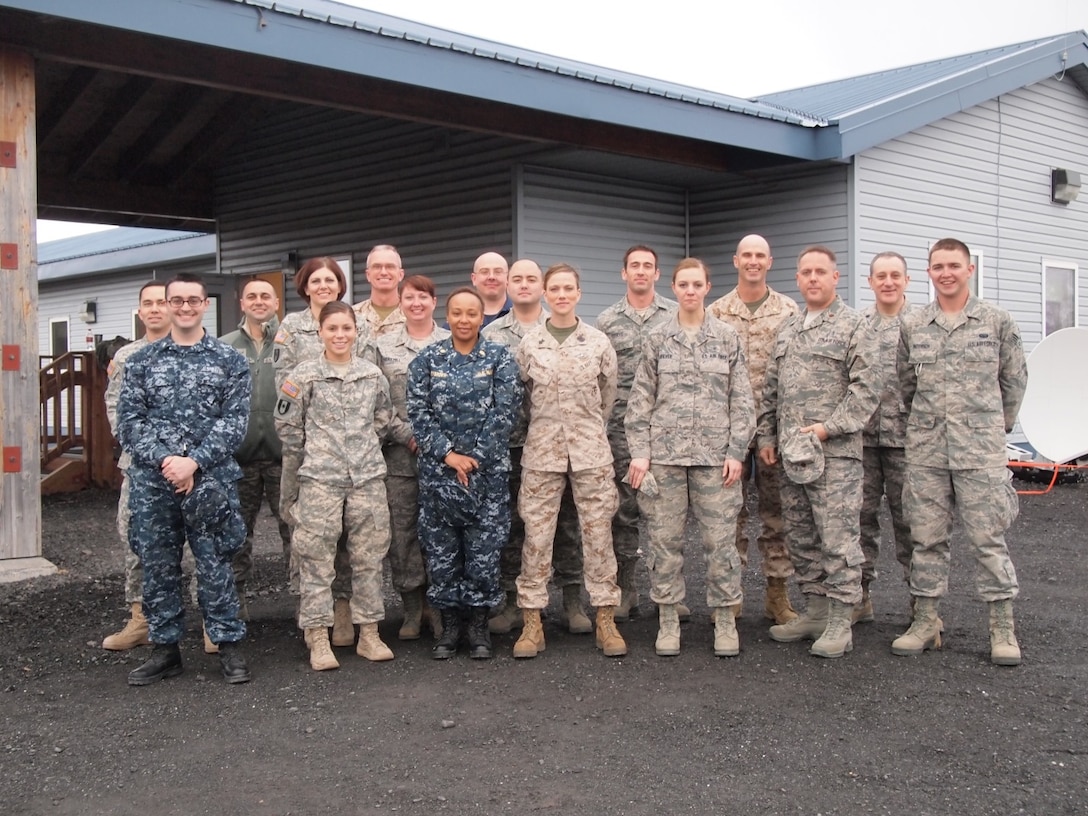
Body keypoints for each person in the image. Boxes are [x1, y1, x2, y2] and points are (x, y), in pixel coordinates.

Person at [893, 238, 1027, 666]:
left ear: (969, 270)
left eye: (954, 265)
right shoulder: (914, 324)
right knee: (926, 539)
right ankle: (926, 620)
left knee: (988, 539)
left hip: (979, 451)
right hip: (928, 451)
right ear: (929, 273)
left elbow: (1014, 380)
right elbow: (905, 384)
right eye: (937, 266)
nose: (945, 272)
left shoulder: (995, 321)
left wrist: (993, 426)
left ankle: (1002, 627)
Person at [116, 273, 252, 685]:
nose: (185, 307)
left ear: (205, 304)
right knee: (158, 565)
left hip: (210, 480)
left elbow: (235, 422)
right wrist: (167, 461)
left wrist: (193, 463)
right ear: (167, 305)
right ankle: (165, 649)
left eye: (193, 300)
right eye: (177, 301)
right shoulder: (140, 361)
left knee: (215, 565)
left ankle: (228, 646)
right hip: (155, 484)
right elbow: (129, 422)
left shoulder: (230, 360)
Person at [626, 258, 754, 657]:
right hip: (665, 458)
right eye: (684, 284)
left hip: (716, 460)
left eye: (697, 284)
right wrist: (641, 454)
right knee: (664, 542)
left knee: (721, 544)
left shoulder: (727, 337)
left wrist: (736, 452)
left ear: (708, 287)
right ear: (676, 288)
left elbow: (743, 401)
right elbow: (640, 399)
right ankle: (667, 618)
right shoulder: (659, 338)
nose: (690, 291)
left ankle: (725, 619)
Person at [757, 246, 878, 659]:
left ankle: (842, 620)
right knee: (801, 535)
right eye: (805, 272)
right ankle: (815, 610)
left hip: (835, 456)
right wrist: (767, 436)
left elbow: (866, 390)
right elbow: (772, 389)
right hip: (792, 454)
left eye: (820, 272)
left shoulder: (854, 325)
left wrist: (830, 428)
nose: (812, 279)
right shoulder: (789, 327)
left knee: (838, 539)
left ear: (835, 277)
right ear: (797, 278)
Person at [275, 301, 397, 671]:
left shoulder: (372, 373)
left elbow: (383, 417)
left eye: (347, 328)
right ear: (321, 333)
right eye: (332, 329)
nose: (340, 335)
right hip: (320, 481)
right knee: (316, 559)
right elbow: (288, 428)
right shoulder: (303, 375)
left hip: (366, 479)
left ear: (356, 332)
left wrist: (359, 449)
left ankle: (369, 633)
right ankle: (318, 636)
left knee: (369, 558)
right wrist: (319, 454)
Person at [514, 263, 626, 659]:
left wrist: (583, 430)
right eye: (555, 289)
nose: (561, 295)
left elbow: (607, 398)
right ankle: (532, 623)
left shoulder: (597, 343)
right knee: (537, 538)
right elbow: (524, 403)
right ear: (545, 294)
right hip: (542, 454)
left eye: (568, 288)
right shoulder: (530, 344)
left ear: (579, 293)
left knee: (598, 536)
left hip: (591, 453)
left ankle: (605, 619)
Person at [407, 288, 522, 660]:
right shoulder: (427, 360)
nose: (464, 320)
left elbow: (505, 413)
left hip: (485, 474)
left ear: (480, 317)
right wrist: (448, 455)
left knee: (483, 553)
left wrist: (472, 458)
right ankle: (449, 626)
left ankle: (478, 626)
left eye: (471, 313)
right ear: (448, 314)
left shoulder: (500, 359)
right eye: (457, 313)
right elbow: (418, 414)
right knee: (442, 553)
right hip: (440, 475)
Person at [482, 259, 587, 635]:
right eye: (517, 279)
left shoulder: (561, 326)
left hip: (559, 444)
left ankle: (573, 601)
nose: (524, 284)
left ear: (542, 287)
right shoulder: (493, 335)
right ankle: (514, 603)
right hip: (510, 446)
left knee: (568, 524)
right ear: (507, 286)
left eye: (531, 279)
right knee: (515, 525)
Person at [708, 234, 800, 623]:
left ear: (770, 261)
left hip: (773, 429)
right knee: (729, 517)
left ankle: (777, 594)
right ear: (735, 260)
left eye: (760, 255)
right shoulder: (717, 311)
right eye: (747, 255)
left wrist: (776, 432)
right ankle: (731, 596)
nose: (753, 261)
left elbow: (794, 375)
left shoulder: (789, 310)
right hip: (729, 432)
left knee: (777, 515)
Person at [273, 257, 359, 646]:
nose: (323, 285)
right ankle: (311, 610)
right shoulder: (291, 327)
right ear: (305, 286)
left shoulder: (354, 322)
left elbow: (367, 379)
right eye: (316, 280)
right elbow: (284, 387)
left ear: (340, 286)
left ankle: (342, 607)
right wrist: (310, 443)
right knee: (304, 530)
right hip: (305, 451)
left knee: (347, 534)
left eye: (330, 280)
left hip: (350, 452)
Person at [595, 245, 679, 622]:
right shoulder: (607, 321)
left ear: (657, 274)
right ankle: (626, 589)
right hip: (620, 432)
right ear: (623, 273)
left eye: (648, 266)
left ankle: (670, 593)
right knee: (623, 514)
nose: (641, 272)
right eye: (635, 266)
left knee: (668, 517)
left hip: (668, 432)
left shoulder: (676, 316)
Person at [365, 275, 450, 641]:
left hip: (445, 458)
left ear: (434, 302)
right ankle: (413, 609)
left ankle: (442, 604)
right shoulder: (380, 347)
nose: (416, 303)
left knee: (443, 532)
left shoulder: (450, 342)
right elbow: (375, 402)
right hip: (400, 459)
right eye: (410, 297)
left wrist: (437, 440)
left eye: (423, 297)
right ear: (400, 302)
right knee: (403, 535)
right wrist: (407, 435)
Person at [101, 281, 171, 651]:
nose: (156, 309)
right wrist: (152, 453)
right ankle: (141, 618)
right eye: (149, 303)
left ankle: (209, 619)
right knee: (137, 540)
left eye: (162, 302)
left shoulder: (192, 351)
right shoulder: (127, 357)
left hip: (189, 468)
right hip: (142, 467)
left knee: (201, 546)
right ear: (140, 311)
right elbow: (118, 413)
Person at [220, 278, 293, 626]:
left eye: (266, 296)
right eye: (252, 296)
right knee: (235, 535)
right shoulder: (224, 347)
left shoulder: (291, 343)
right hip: (239, 459)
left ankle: (307, 608)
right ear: (242, 302)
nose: (259, 301)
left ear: (277, 301)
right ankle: (233, 606)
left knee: (295, 533)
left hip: (285, 457)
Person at [857, 252, 914, 624]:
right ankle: (859, 597)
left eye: (895, 275)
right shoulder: (859, 325)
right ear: (871, 281)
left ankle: (921, 606)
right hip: (862, 439)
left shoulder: (923, 324)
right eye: (881, 276)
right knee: (859, 521)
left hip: (909, 442)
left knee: (911, 524)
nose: (888, 282)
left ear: (906, 280)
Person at [353, 244, 407, 339]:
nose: (383, 272)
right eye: (377, 267)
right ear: (368, 275)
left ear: (401, 275)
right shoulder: (352, 316)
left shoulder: (413, 315)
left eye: (390, 267)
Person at [471, 251, 513, 327]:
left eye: (498, 272)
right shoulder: (459, 322)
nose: (491, 277)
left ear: (507, 278)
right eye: (484, 272)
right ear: (474, 279)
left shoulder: (521, 317)